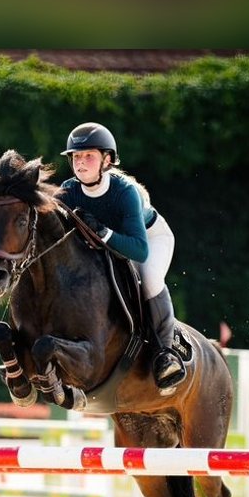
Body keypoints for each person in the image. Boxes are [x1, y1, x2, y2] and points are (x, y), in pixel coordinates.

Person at [57, 121, 187, 390]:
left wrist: (103, 232)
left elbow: (138, 250)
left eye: (88, 156)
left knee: (149, 278)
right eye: (76, 157)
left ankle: (166, 354)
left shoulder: (125, 192)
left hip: (150, 239)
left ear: (107, 160)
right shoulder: (68, 191)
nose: (80, 163)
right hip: (104, 246)